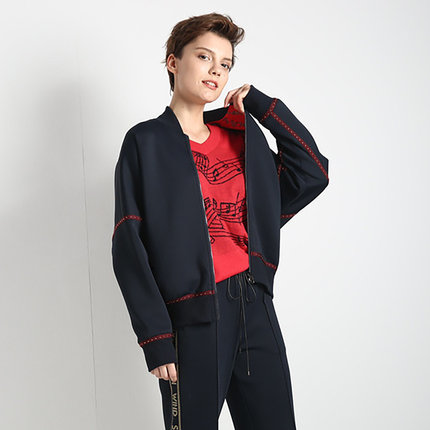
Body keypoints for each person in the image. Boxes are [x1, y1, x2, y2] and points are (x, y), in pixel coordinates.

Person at [111, 12, 329, 430]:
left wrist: (263, 107)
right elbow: (128, 243)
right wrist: (156, 337)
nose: (215, 70)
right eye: (204, 56)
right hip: (191, 317)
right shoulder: (145, 141)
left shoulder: (241, 135)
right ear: (173, 62)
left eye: (225, 63)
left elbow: (312, 173)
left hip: (255, 304)